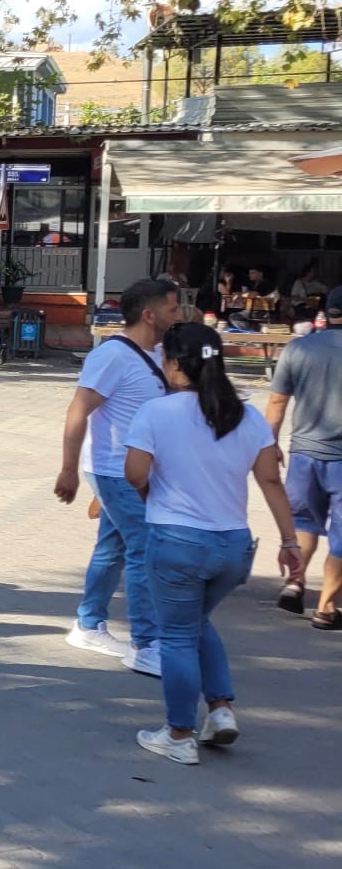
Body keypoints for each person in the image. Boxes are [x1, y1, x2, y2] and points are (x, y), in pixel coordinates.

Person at [124, 323, 302, 764]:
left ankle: (179, 735)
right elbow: (270, 481)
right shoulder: (248, 416)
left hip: (177, 542)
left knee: (178, 637)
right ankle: (220, 710)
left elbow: (135, 474)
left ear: (176, 364)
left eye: (165, 359)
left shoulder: (155, 412)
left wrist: (152, 496)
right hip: (233, 547)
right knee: (197, 623)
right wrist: (290, 542)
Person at [54, 277, 181, 668]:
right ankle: (146, 646)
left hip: (140, 470)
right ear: (149, 313)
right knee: (144, 547)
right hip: (113, 470)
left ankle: (88, 624)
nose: (178, 315)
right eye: (172, 308)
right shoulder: (112, 356)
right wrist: (69, 470)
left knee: (114, 548)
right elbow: (78, 410)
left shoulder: (160, 352)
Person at [265, 287, 342, 630]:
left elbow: (277, 403)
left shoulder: (297, 348)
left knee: (304, 521)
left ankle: (295, 583)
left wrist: (269, 444)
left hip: (303, 454)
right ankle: (326, 606)